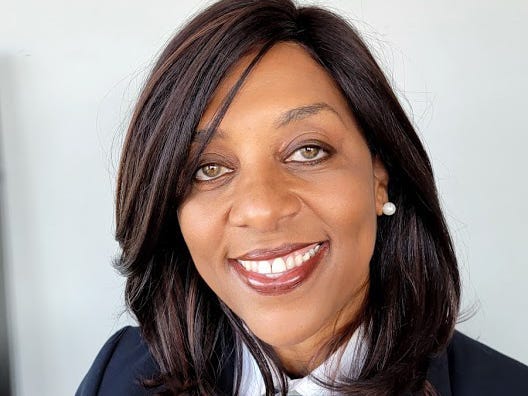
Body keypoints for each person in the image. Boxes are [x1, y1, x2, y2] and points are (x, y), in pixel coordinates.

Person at [76, 0, 528, 395]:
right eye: (208, 169)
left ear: (379, 177)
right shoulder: (116, 374)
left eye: (307, 151)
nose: (262, 208)